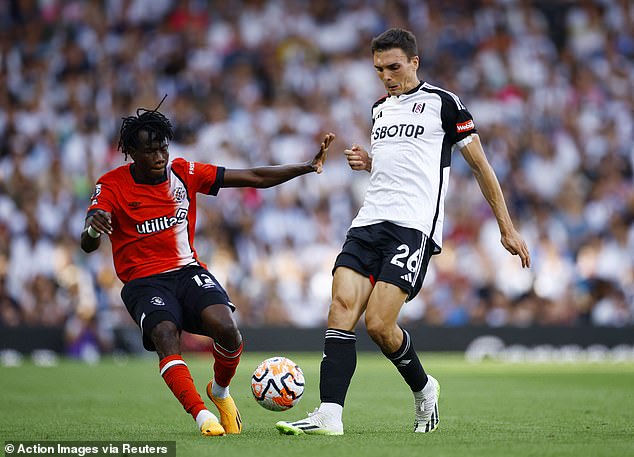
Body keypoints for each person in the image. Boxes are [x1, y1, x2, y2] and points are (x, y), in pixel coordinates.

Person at [276, 28, 530, 436]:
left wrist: (507, 228)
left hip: (412, 227)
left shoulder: (444, 103)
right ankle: (329, 415)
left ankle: (424, 387)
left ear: (414, 62)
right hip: (369, 220)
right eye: (379, 69)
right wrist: (370, 162)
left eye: (393, 67)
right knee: (341, 308)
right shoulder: (380, 108)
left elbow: (481, 167)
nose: (386, 76)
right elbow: (403, 164)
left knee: (378, 324)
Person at [80, 102, 335, 436]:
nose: (160, 157)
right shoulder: (111, 185)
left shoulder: (184, 173)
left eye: (163, 149)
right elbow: (87, 242)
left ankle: (219, 392)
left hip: (186, 271)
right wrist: (93, 229)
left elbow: (254, 177)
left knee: (228, 330)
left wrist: (305, 167)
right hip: (143, 281)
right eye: (150, 151)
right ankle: (203, 416)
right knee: (166, 335)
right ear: (130, 153)